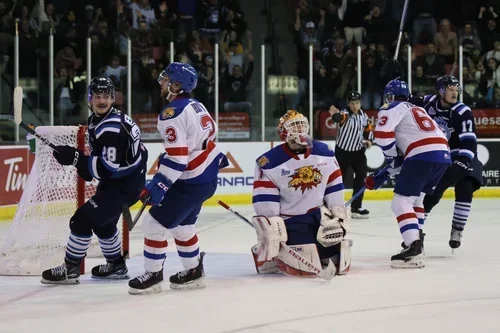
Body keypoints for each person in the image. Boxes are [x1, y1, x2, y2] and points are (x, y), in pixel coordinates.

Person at [128, 63, 228, 294]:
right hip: (205, 176)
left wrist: (159, 184)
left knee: (153, 223)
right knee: (183, 225)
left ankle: (153, 276)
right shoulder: (197, 104)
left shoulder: (171, 114)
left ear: (176, 85)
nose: (161, 83)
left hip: (191, 180)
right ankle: (193, 272)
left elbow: (178, 158)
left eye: (166, 80)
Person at [41, 77, 148, 284]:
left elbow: (107, 168)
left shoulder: (112, 128)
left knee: (81, 220)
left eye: (106, 96)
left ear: (113, 98)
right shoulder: (97, 120)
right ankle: (116, 265)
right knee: (102, 223)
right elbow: (107, 160)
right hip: (123, 180)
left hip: (125, 185)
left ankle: (70, 269)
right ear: (89, 99)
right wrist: (83, 164)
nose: (102, 100)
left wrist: (77, 158)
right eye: (97, 96)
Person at [251, 110, 351, 278]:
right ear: (284, 133)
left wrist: (336, 212)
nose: (300, 131)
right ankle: (264, 254)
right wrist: (272, 229)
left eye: (302, 126)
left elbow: (334, 183)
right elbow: (266, 201)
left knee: (335, 254)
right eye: (294, 127)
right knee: (307, 256)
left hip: (318, 216)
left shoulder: (324, 152)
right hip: (291, 219)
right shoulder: (269, 162)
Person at [365, 79, 451, 268]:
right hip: (443, 155)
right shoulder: (417, 110)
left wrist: (389, 156)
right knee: (416, 200)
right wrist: (380, 177)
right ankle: (417, 239)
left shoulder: (392, 107)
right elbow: (401, 160)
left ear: (389, 96)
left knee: (400, 202)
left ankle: (413, 246)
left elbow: (382, 136)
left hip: (422, 154)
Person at [409, 75, 482, 250]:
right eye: (451, 89)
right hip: (439, 156)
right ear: (441, 91)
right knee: (429, 197)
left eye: (456, 89)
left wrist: (463, 162)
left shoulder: (462, 111)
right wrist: (397, 83)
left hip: (462, 156)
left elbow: (469, 141)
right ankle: (415, 234)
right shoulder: (429, 103)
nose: (455, 92)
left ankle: (457, 230)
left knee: (466, 186)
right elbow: (408, 100)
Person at [329, 91, 374, 219]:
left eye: (357, 103)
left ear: (360, 103)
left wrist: (369, 140)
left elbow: (368, 129)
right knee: (338, 180)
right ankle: (334, 206)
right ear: (348, 104)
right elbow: (338, 118)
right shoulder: (345, 114)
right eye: (352, 103)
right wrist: (334, 115)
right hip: (343, 152)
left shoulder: (363, 116)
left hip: (358, 152)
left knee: (361, 177)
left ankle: (356, 206)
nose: (355, 105)